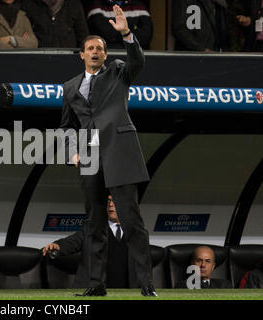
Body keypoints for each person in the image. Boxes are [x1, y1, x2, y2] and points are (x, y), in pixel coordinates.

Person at [58, 5, 156, 297]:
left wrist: (126, 32)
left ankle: (146, 284)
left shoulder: (117, 71)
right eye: (90, 48)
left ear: (105, 52)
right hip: (88, 159)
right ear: (82, 54)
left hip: (119, 154)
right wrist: (72, 153)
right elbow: (65, 127)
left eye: (100, 48)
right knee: (94, 224)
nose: (95, 52)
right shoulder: (70, 87)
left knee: (131, 221)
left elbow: (138, 61)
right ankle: (95, 284)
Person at [42, 195, 129, 288]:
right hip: (95, 290)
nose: (111, 204)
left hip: (128, 292)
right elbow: (72, 242)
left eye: (114, 201)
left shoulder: (136, 232)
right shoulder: (91, 228)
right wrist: (57, 246)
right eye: (108, 201)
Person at [86, 0, 153, 49]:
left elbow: (145, 37)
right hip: (108, 55)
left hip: (135, 56)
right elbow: (103, 35)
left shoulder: (139, 6)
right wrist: (131, 28)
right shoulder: (97, 6)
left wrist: (122, 30)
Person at [21, 0, 89, 48]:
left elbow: (83, 37)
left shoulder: (73, 4)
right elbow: (25, 36)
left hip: (68, 59)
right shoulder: (28, 4)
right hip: (39, 59)